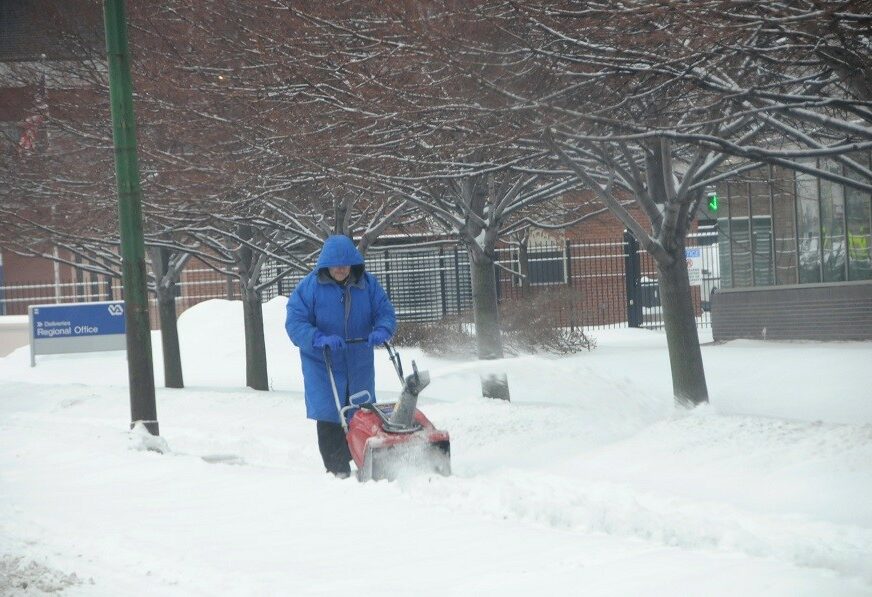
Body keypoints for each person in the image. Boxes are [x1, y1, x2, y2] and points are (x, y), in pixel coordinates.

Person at [285, 235, 396, 477]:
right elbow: (295, 322)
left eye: (345, 265)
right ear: (325, 265)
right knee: (330, 416)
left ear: (353, 264)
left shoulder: (368, 285)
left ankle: (368, 464)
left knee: (363, 414)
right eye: (335, 265)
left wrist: (382, 329)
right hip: (323, 365)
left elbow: (384, 311)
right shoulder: (309, 288)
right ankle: (337, 471)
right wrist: (317, 338)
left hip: (358, 363)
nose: (340, 270)